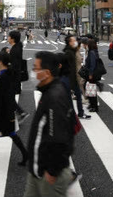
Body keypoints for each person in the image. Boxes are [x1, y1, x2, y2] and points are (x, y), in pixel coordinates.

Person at [24, 52, 75, 197]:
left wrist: (52, 171)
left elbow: (59, 137)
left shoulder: (55, 97)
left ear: (46, 73)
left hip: (49, 175)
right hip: (36, 170)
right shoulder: (50, 91)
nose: (33, 72)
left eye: (35, 68)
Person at [63, 35, 90, 119]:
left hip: (73, 78)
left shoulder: (72, 51)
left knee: (76, 96)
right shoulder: (69, 52)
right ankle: (73, 114)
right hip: (71, 79)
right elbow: (68, 67)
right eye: (73, 40)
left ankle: (79, 113)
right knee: (71, 97)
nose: (75, 42)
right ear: (70, 42)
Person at [8, 30, 29, 122]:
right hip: (16, 76)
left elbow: (14, 66)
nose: (8, 38)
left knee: (9, 96)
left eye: (9, 36)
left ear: (12, 39)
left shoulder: (14, 50)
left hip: (14, 76)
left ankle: (21, 113)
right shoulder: (18, 46)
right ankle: (19, 113)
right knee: (9, 96)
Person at [84, 39, 101, 113]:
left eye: (87, 44)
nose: (86, 46)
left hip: (92, 74)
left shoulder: (91, 52)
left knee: (91, 89)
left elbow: (92, 64)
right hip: (93, 74)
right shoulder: (94, 51)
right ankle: (92, 105)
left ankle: (94, 107)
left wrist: (90, 74)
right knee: (89, 88)